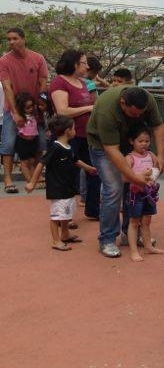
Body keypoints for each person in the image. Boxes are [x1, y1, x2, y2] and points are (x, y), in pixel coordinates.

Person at [86, 86, 164, 258]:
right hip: (104, 146)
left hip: (129, 144)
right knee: (114, 188)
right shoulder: (106, 109)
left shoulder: (148, 99)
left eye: (140, 114)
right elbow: (111, 150)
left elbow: (158, 126)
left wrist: (160, 155)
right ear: (123, 103)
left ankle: (129, 232)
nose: (137, 117)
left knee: (132, 190)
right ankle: (107, 239)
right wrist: (133, 177)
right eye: (133, 114)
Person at [24, 115, 96, 251]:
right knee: (57, 215)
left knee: (67, 212)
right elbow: (41, 163)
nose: (76, 130)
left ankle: (65, 234)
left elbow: (76, 160)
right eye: (74, 128)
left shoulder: (69, 147)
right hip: (57, 188)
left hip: (68, 186)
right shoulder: (55, 148)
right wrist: (32, 182)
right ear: (68, 130)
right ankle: (55, 240)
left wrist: (89, 168)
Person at [49, 49, 99, 216]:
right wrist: (89, 108)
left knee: (93, 170)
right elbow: (62, 110)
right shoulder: (59, 82)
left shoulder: (83, 83)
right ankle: (64, 216)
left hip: (87, 134)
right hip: (68, 136)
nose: (86, 66)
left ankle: (93, 209)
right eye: (84, 63)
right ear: (74, 64)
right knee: (68, 174)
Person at [0, 27, 49, 194]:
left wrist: (40, 104)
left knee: (41, 141)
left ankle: (35, 174)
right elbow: (7, 87)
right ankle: (8, 178)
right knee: (8, 143)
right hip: (12, 108)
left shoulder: (37, 58)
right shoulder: (4, 60)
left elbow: (43, 83)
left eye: (15, 38)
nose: (11, 42)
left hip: (34, 109)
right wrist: (15, 112)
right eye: (9, 39)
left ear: (23, 38)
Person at [123, 125, 164, 262]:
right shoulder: (130, 158)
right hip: (136, 194)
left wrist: (157, 171)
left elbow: (159, 169)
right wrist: (141, 174)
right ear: (132, 141)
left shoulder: (151, 155)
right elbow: (124, 177)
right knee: (134, 222)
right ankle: (134, 251)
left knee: (147, 221)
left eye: (147, 141)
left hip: (149, 194)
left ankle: (148, 246)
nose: (144, 144)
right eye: (140, 141)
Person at [13, 92, 41, 185]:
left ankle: (33, 180)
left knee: (32, 161)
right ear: (21, 108)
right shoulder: (19, 116)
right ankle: (30, 181)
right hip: (22, 140)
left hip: (33, 139)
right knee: (24, 162)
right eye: (27, 107)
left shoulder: (34, 114)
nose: (31, 109)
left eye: (32, 106)